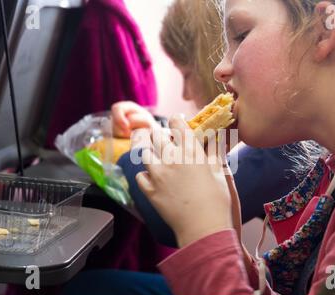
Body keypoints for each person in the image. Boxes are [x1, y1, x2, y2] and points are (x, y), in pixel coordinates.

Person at [135, 0, 335, 295]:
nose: (220, 69)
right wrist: (222, 231)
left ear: (322, 31)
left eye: (240, 34)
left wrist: (203, 231)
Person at [112, 0, 303, 247]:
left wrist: (135, 151)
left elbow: (168, 219)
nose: (185, 95)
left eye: (187, 74)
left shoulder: (285, 147)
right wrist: (155, 129)